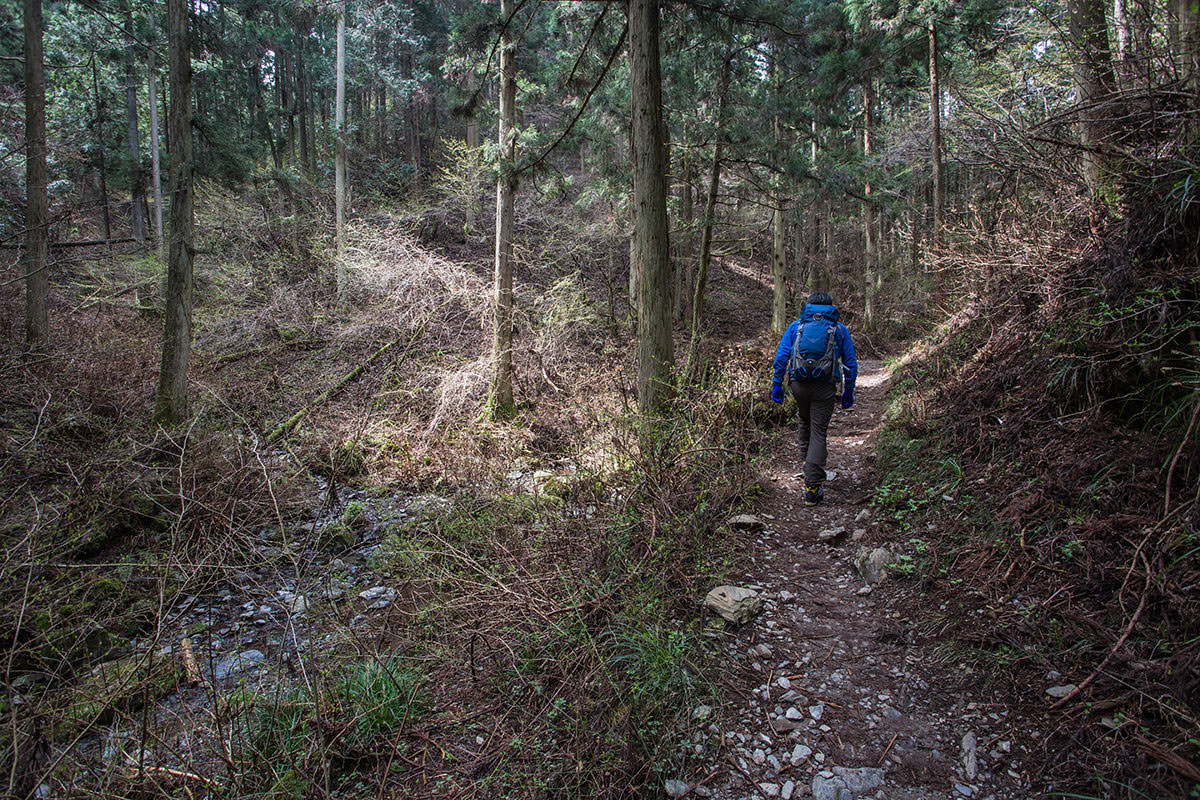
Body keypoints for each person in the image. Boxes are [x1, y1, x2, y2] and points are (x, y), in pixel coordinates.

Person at [770, 292, 858, 506]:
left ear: (808, 306)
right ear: (830, 307)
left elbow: (782, 356)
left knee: (804, 421)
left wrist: (776, 384)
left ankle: (807, 466)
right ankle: (812, 486)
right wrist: (848, 391)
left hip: (798, 384)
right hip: (824, 387)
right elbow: (851, 363)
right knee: (818, 431)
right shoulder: (839, 329)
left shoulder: (796, 326)